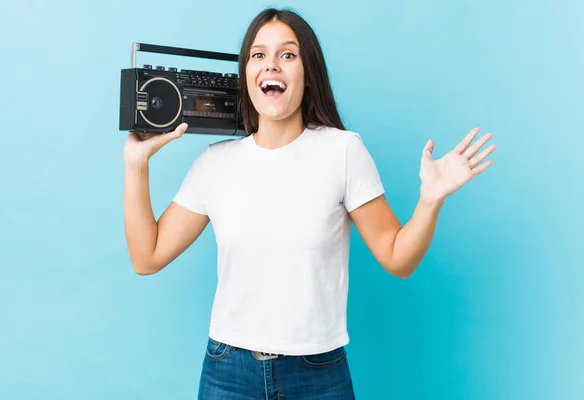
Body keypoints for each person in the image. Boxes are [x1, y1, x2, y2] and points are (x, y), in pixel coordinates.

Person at [123, 7, 495, 400]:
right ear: (246, 75)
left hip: (317, 372)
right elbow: (146, 257)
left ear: (308, 74)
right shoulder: (215, 163)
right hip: (228, 370)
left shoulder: (343, 151)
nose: (272, 66)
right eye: (258, 55)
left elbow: (397, 258)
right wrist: (136, 165)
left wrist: (430, 200)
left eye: (288, 55)